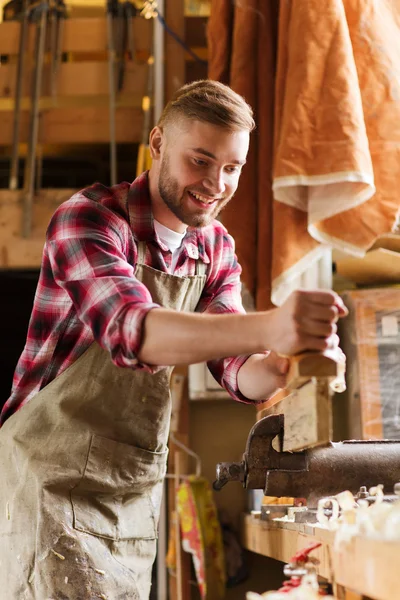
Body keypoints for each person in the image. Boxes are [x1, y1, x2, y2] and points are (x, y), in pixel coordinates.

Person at [0, 80, 347, 599]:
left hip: (128, 488)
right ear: (158, 142)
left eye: (232, 168)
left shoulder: (214, 247)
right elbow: (134, 332)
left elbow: (235, 368)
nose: (216, 183)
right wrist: (272, 323)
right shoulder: (91, 219)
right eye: (201, 161)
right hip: (47, 478)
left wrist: (279, 365)